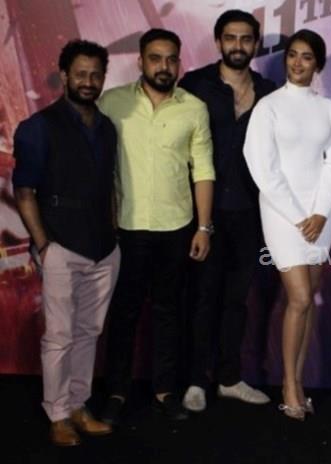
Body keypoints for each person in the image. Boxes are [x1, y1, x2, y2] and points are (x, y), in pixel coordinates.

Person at [99, 28, 215, 423]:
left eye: (171, 59)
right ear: (140, 61)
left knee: (169, 312)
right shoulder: (112, 103)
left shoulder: (194, 108)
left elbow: (203, 170)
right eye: (155, 58)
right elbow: (99, 168)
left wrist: (203, 227)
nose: (163, 66)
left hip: (176, 228)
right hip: (126, 228)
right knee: (124, 313)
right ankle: (116, 392)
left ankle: (166, 391)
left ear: (179, 63)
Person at [13, 40, 119, 446]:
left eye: (95, 75)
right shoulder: (37, 127)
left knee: (89, 331)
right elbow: (24, 192)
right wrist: (44, 246)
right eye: (81, 74)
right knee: (59, 335)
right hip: (60, 246)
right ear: (64, 75)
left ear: (103, 78)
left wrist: (114, 236)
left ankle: (78, 405)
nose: (88, 82)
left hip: (104, 248)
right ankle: (57, 414)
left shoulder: (107, 128)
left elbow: (108, 186)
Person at [244, 29, 331, 421]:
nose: (297, 62)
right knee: (301, 298)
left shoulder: (329, 110)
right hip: (281, 214)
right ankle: (289, 384)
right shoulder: (268, 107)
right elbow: (263, 167)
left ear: (317, 64)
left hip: (321, 214)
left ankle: (300, 381)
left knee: (309, 301)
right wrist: (297, 216)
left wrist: (321, 211)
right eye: (292, 54)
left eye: (307, 56)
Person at [179, 9, 275, 413]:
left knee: (237, 300)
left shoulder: (269, 92)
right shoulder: (194, 85)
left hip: (250, 213)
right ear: (219, 42)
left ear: (256, 44)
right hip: (202, 212)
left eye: (246, 38)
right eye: (231, 38)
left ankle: (229, 378)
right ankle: (196, 381)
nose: (238, 45)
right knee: (202, 297)